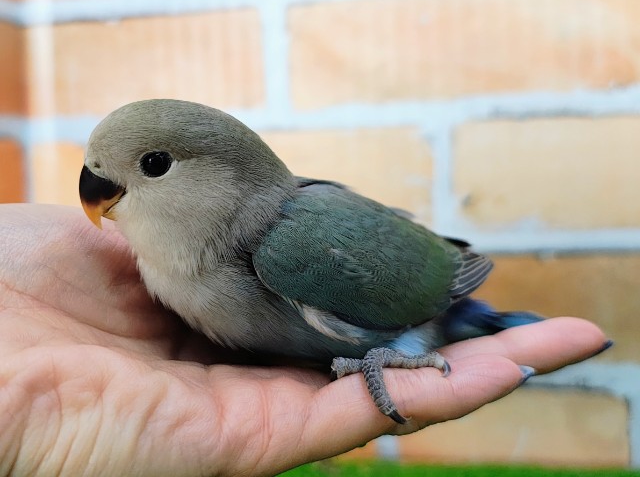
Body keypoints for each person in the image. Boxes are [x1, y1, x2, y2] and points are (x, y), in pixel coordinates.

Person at [0, 204, 608, 476]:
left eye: (153, 165)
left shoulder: (288, 252)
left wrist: (386, 355)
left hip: (424, 317)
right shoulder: (156, 255)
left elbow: (439, 283)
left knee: (491, 335)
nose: (101, 192)